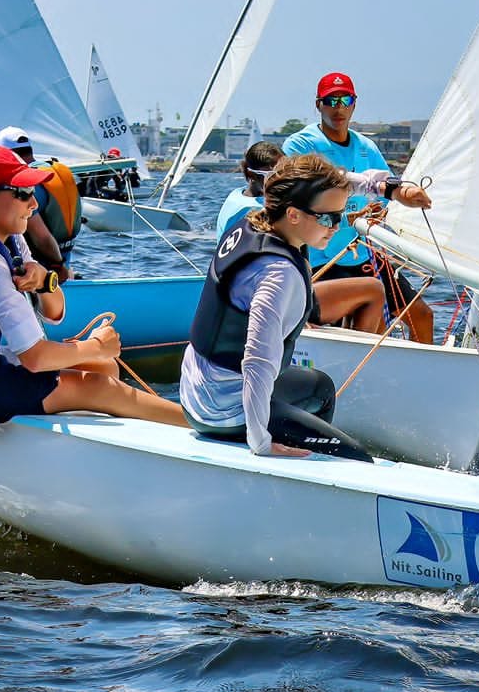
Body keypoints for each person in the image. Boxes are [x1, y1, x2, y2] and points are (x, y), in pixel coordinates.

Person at [0, 144, 187, 433]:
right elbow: (35, 358)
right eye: (22, 194)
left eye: (32, 193)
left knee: (104, 367)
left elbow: (54, 312)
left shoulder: (6, 236)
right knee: (98, 385)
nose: (33, 204)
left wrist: (45, 281)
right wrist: (96, 345)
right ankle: (204, 428)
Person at [181, 154, 374, 459]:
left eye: (341, 215)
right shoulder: (278, 275)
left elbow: (327, 186)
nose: (337, 226)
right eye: (328, 218)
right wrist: (260, 442)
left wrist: (388, 188)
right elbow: (257, 362)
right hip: (223, 410)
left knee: (320, 388)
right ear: (294, 214)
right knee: (357, 458)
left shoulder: (257, 220)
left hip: (195, 394)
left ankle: (300, 462)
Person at [282, 72, 436, 343]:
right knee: (356, 330)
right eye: (331, 100)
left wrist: (392, 201)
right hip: (323, 258)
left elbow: (386, 192)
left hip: (364, 254)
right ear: (318, 105)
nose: (338, 107)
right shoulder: (300, 144)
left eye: (345, 99)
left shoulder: (367, 147)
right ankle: (354, 377)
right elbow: (312, 186)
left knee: (423, 315)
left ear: (354, 103)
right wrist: (348, 212)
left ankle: (427, 377)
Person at [218, 140, 387, 336]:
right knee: (373, 290)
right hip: (262, 299)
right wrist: (297, 319)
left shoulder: (236, 199)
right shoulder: (256, 213)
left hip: (250, 296)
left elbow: (311, 218)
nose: (280, 179)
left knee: (368, 289)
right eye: (271, 175)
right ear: (250, 175)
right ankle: (355, 360)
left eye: (283, 173)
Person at [0, 126, 82, 279]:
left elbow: (41, 236)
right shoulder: (56, 171)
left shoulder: (27, 182)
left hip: (49, 263)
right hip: (66, 253)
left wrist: (58, 265)